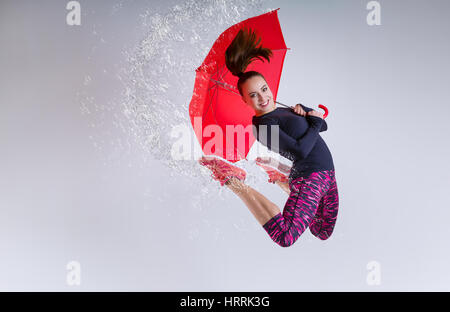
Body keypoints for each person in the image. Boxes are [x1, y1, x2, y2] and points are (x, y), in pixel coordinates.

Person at [198, 27, 339, 247]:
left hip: (327, 173)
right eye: (253, 95)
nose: (262, 97)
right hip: (310, 176)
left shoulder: (285, 109)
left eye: (264, 89)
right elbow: (300, 150)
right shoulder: (263, 127)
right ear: (245, 101)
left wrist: (306, 109)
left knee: (321, 230)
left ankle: (281, 178)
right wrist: (315, 121)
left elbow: (324, 127)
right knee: (285, 236)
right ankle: (233, 180)